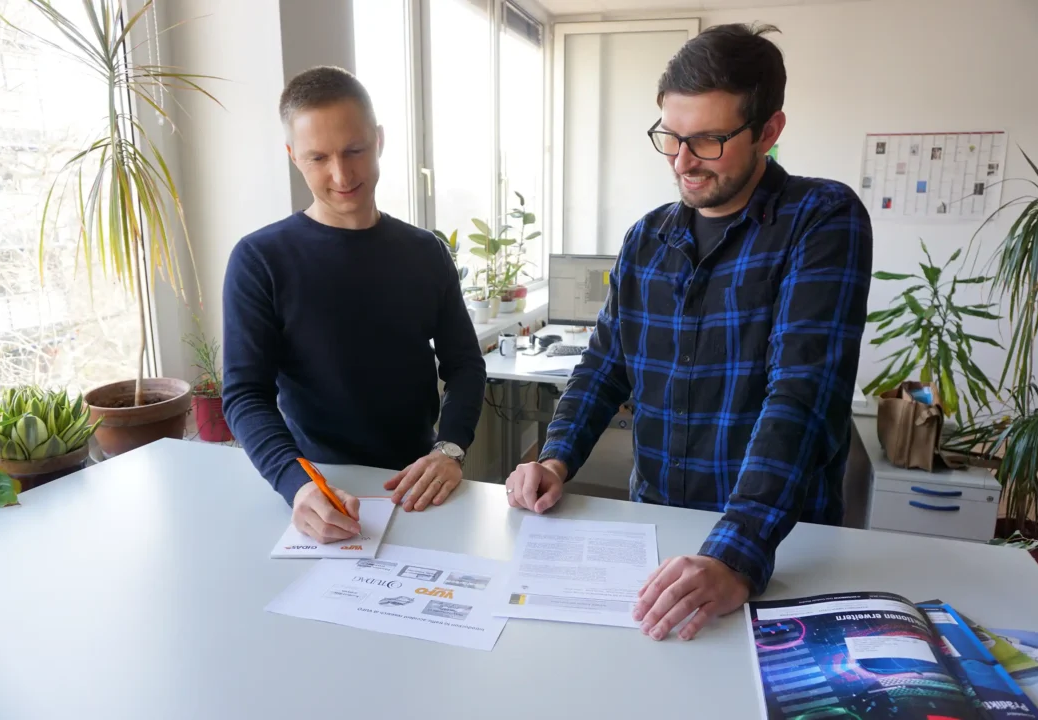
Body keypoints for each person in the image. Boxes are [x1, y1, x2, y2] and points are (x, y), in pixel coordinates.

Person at [504, 24, 872, 641]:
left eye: (707, 140)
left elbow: (803, 395)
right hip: (655, 531)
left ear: (770, 132)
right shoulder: (647, 239)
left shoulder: (821, 220)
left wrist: (737, 551)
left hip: (769, 544)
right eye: (671, 137)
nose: (681, 161)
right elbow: (603, 366)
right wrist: (556, 457)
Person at [223, 66, 486, 544]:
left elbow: (465, 364)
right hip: (317, 487)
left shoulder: (425, 251)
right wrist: (296, 484)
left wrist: (450, 448)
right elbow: (244, 394)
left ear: (379, 140)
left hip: (416, 483)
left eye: (354, 151)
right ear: (292, 156)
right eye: (317, 157)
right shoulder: (260, 259)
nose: (341, 175)